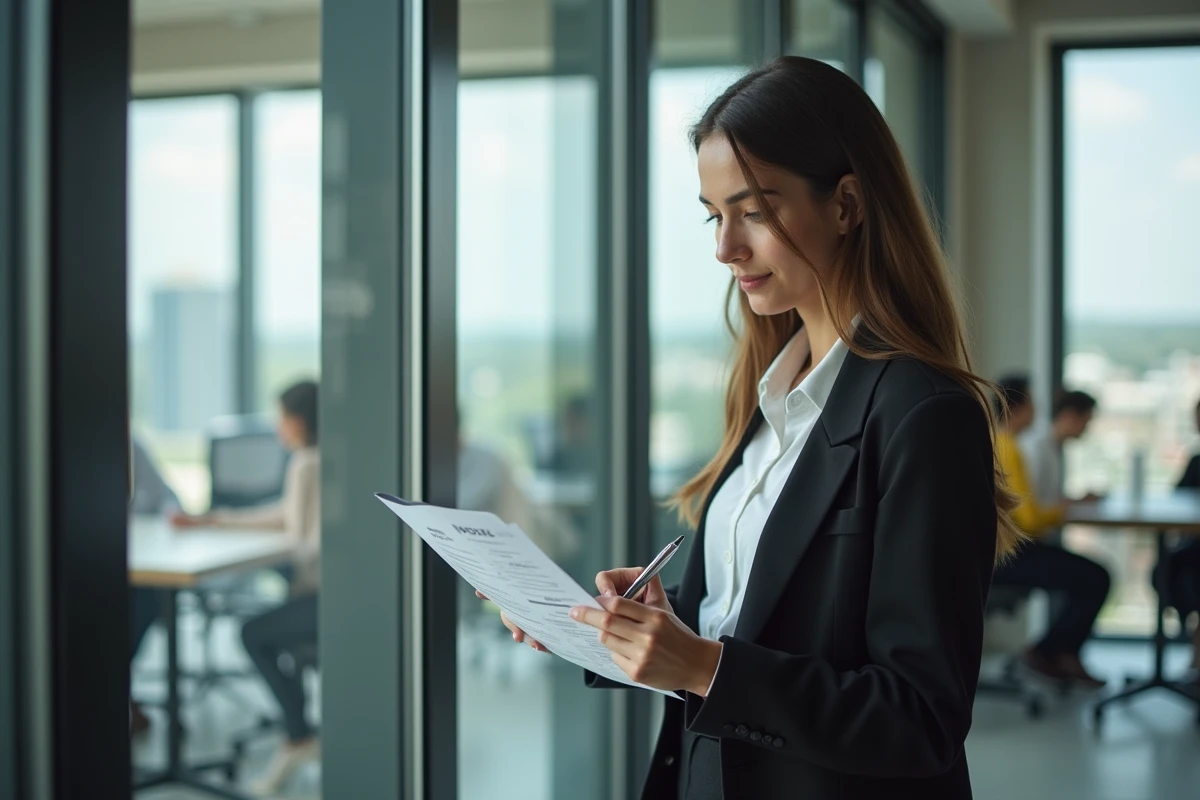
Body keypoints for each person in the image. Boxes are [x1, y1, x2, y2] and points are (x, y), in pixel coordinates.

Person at [483, 56, 1022, 800]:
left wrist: (702, 664)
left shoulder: (923, 414)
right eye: (714, 214)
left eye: (755, 211)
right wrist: (609, 623)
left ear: (845, 204)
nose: (724, 247)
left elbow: (919, 720)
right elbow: (767, 612)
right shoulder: (769, 399)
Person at [172, 380, 321, 794]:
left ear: (300, 420)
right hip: (327, 594)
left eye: (282, 417)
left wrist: (222, 525)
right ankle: (300, 731)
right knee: (264, 629)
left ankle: (298, 735)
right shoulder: (321, 459)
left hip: (323, 599)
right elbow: (286, 516)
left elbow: (300, 539)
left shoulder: (308, 463)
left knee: (252, 633)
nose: (278, 427)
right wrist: (215, 519)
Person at [991, 374, 1111, 688]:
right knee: (1095, 578)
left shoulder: (1001, 443)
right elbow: (1028, 520)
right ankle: (1047, 653)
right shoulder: (1010, 448)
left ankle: (1056, 654)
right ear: (1017, 406)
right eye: (1032, 402)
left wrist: (1062, 507)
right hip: (1010, 556)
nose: (1037, 410)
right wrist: (1065, 509)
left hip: (1004, 552)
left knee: (1091, 576)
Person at [129, 434, 183, 734]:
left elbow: (165, 497)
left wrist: (170, 515)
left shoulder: (131, 445)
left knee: (147, 601)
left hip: (143, 557)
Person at [1019, 389, 1104, 527]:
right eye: (1085, 422)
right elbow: (1029, 503)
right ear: (1070, 415)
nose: (1086, 429)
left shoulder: (1054, 447)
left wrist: (1079, 501)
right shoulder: (1036, 447)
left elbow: (1048, 500)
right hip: (1029, 539)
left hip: (1040, 533)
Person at [1161, 397, 1200, 679]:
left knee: (1179, 573)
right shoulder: (1197, 460)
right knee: (1166, 570)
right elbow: (1175, 503)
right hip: (1192, 550)